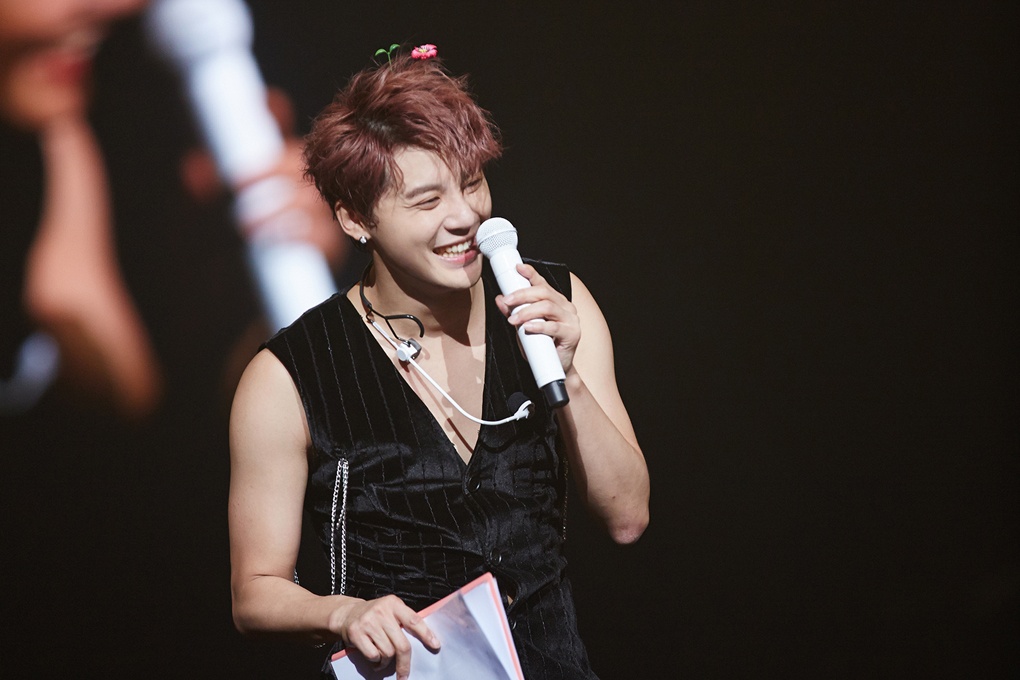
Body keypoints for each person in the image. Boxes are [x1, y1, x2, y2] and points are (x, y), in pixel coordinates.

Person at [228, 46, 650, 680]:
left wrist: (569, 375)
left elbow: (627, 516)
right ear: (355, 218)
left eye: (472, 182)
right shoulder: (289, 375)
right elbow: (254, 591)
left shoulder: (553, 303)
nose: (466, 216)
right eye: (427, 201)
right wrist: (345, 613)